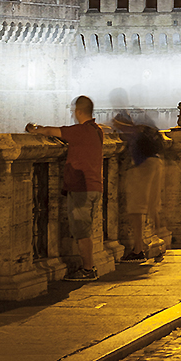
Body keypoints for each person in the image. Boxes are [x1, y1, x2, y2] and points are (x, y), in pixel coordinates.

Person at [26, 96, 105, 281]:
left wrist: (33, 129)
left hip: (81, 188)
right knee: (85, 230)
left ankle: (88, 270)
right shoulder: (97, 130)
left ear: (78, 111)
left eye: (73, 111)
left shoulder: (80, 131)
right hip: (94, 186)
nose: (72, 114)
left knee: (82, 232)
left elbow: (49, 131)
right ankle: (89, 267)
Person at [109, 111, 167, 262]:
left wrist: (116, 124)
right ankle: (159, 244)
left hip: (144, 166)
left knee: (136, 209)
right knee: (153, 206)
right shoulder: (142, 129)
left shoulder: (131, 131)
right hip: (157, 162)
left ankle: (138, 250)